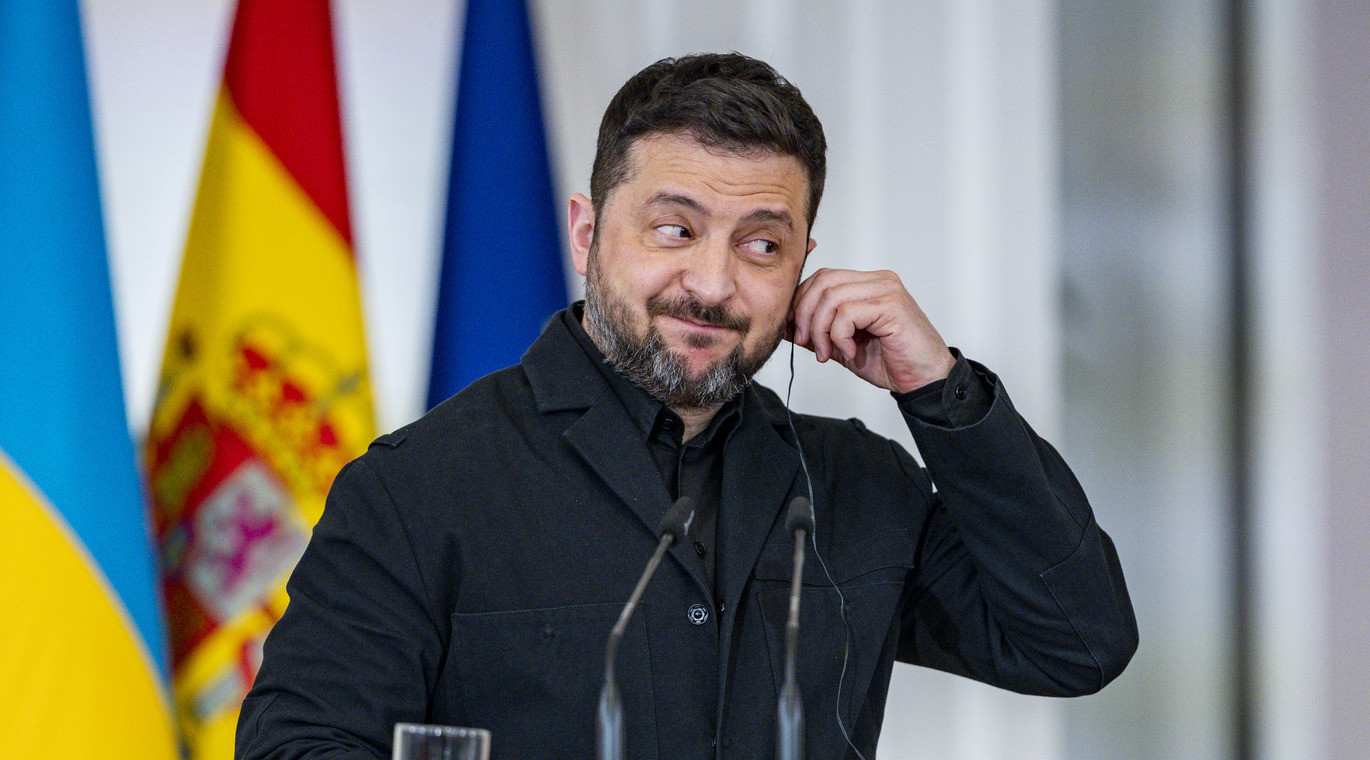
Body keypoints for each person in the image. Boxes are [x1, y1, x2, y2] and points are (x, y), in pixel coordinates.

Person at [236, 53, 1137, 760]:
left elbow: (1076, 643)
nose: (712, 283)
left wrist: (939, 387)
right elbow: (297, 747)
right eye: (675, 230)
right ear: (588, 233)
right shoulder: (418, 489)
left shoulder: (857, 482)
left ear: (805, 265)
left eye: (761, 245)